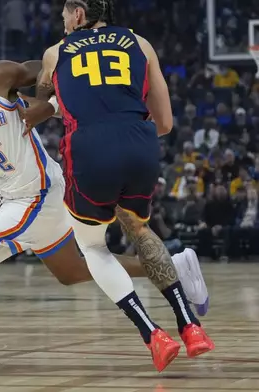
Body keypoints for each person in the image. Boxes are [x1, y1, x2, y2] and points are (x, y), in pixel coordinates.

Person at [0, 39, 209, 371]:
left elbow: (56, 72)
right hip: (19, 198)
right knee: (71, 272)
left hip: (38, 193)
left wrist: (48, 104)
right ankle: (174, 268)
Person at [18, 0, 213, 372]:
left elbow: (41, 105)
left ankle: (152, 334)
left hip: (90, 147)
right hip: (140, 143)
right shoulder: (140, 44)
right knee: (139, 228)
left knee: (93, 248)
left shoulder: (55, 53)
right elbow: (167, 123)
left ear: (77, 13)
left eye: (63, 13)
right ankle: (190, 326)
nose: (61, 21)